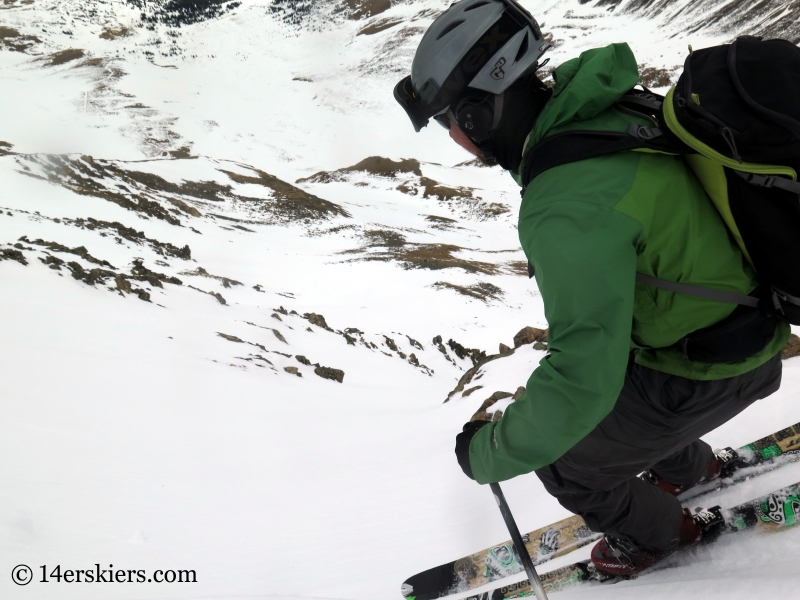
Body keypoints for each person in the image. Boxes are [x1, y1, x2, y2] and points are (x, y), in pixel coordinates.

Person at [394, 0, 789, 576]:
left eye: (447, 119)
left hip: (710, 371)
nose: (452, 135)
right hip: (748, 331)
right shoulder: (609, 113)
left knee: (563, 459)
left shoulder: (566, 203)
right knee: (617, 382)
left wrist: (488, 454)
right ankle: (689, 469)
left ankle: (660, 535)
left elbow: (583, 381)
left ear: (478, 116)